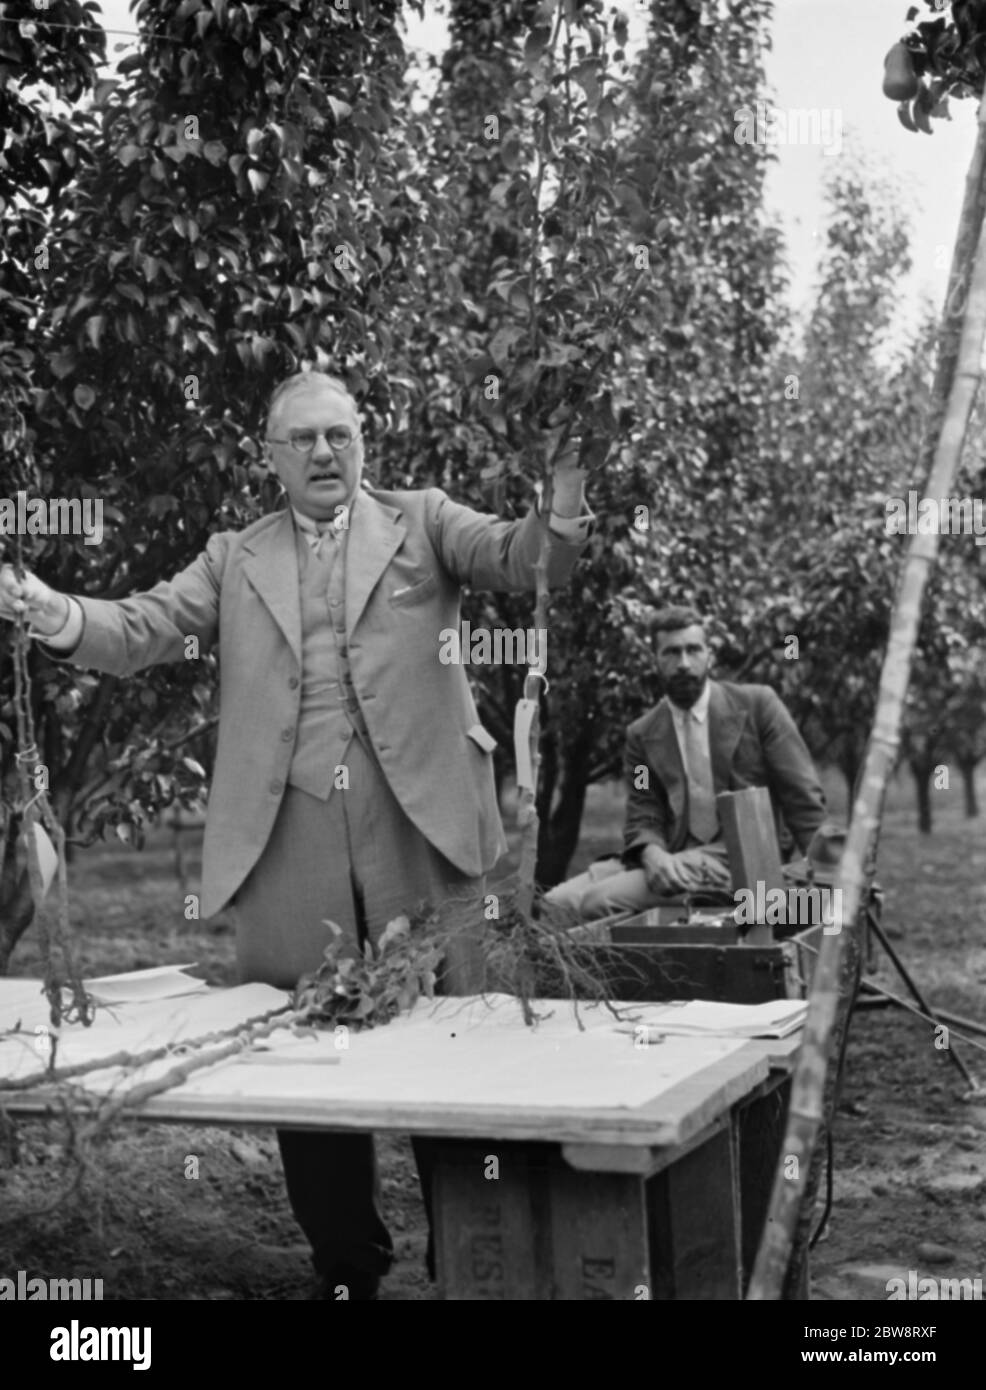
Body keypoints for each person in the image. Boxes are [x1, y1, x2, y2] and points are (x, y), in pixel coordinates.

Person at [0, 370, 592, 1299]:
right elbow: (145, 625)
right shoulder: (235, 556)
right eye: (304, 440)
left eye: (341, 435)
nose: (326, 452)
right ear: (271, 458)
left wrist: (563, 488)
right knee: (307, 1058)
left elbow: (530, 560)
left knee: (458, 1046)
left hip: (424, 831)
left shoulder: (426, 519)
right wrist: (55, 612)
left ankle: (471, 1258)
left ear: (363, 442)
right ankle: (347, 1270)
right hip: (289, 840)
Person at [545, 605, 827, 922]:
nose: (683, 663)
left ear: (709, 655)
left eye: (693, 650)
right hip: (672, 854)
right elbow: (643, 811)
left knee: (598, 902)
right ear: (655, 660)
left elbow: (802, 796)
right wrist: (651, 853)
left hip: (742, 856)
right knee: (555, 903)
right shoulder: (642, 734)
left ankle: (645, 971)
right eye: (671, 652)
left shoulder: (759, 707)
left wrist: (831, 874)